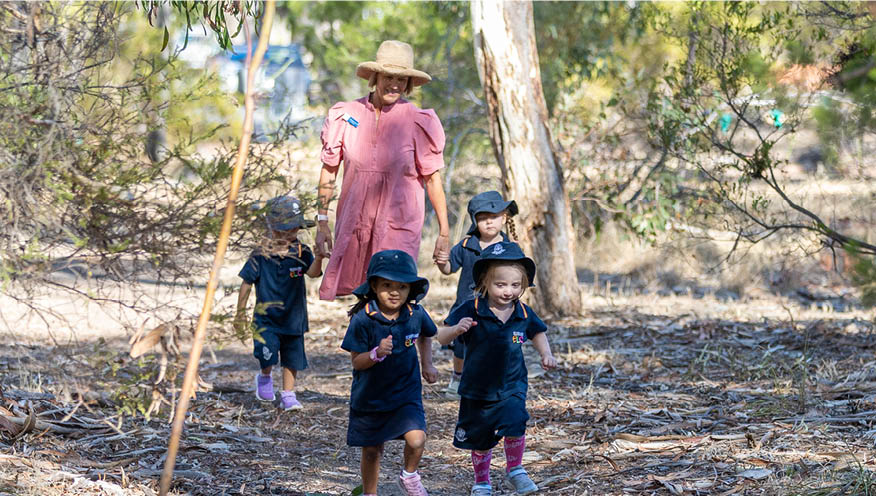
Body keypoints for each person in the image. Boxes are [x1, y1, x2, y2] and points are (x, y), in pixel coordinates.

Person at [315, 40, 450, 300]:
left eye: (402, 78)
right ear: (375, 76)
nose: (395, 84)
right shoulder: (346, 115)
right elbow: (329, 171)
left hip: (399, 225)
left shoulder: (418, 121)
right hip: (356, 223)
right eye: (389, 76)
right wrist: (322, 221)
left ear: (409, 83)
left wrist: (444, 232)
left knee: (395, 296)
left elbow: (433, 179)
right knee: (363, 297)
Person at [437, 242, 557, 496]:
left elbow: (538, 332)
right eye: (500, 285)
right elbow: (440, 335)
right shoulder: (471, 309)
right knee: (480, 438)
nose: (508, 291)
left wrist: (546, 353)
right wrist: (456, 330)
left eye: (515, 285)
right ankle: (482, 482)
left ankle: (515, 469)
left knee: (515, 421)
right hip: (476, 389)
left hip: (512, 385)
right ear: (484, 282)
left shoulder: (523, 312)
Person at [341, 250, 439, 496]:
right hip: (371, 397)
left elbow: (427, 335)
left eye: (402, 286)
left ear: (410, 289)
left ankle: (409, 476)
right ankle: (370, 492)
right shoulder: (363, 319)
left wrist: (427, 364)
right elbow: (357, 362)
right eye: (387, 285)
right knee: (373, 450)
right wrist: (375, 354)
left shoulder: (415, 314)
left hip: (406, 394)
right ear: (374, 285)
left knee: (417, 439)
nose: (395, 292)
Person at [235, 196, 324, 411]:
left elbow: (313, 273)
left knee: (292, 358)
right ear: (272, 229)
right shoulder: (260, 254)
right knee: (267, 354)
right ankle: (265, 376)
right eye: (283, 231)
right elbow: (246, 283)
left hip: (294, 318)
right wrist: (240, 313)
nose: (288, 236)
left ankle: (288, 394)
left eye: (293, 230)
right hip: (266, 319)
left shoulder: (302, 252)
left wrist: (320, 257)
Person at [436, 191, 519, 400]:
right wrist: (441, 261)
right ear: (475, 221)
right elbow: (449, 268)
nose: (489, 222)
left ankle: (495, 380)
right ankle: (457, 377)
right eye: (482, 218)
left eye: (494, 216)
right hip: (467, 304)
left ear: (504, 217)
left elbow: (518, 277)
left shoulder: (510, 248)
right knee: (461, 343)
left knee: (496, 343)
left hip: (498, 307)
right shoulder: (466, 245)